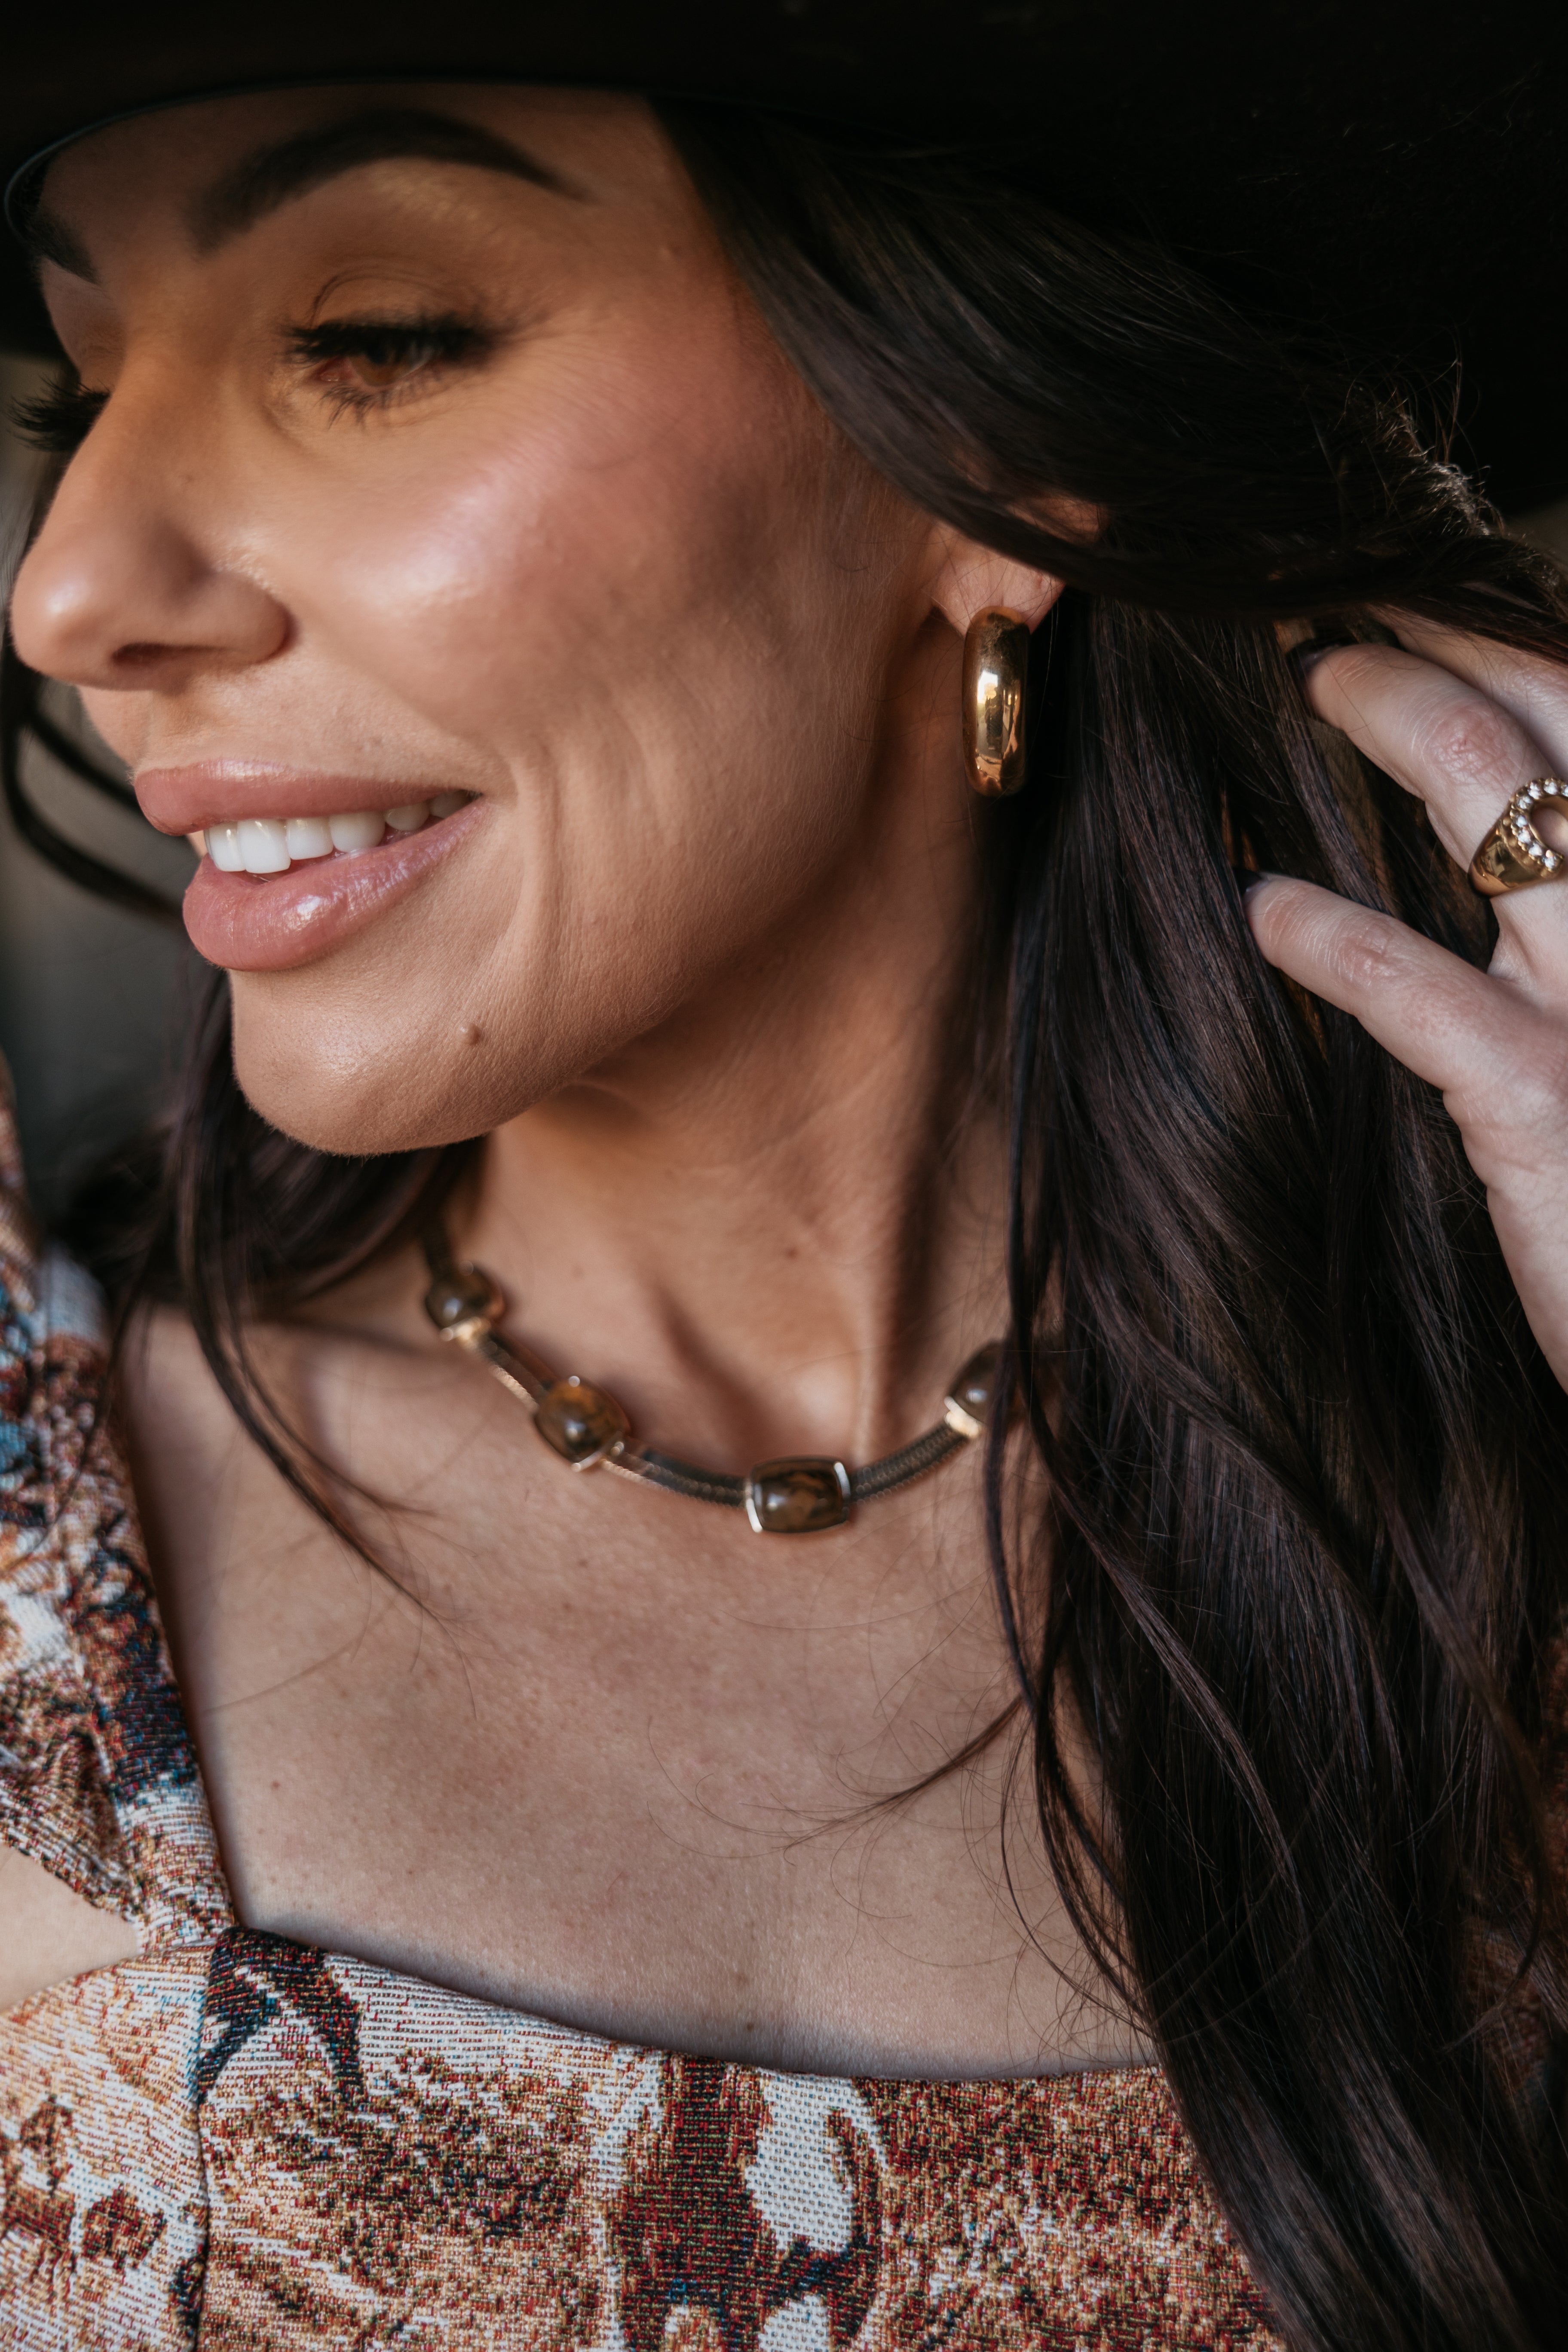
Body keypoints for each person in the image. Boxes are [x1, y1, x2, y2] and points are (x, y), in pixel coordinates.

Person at [0, 13, 1565, 2348]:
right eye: (74, 396)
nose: (71, 591)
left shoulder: (1493, 1542)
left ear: (992, 452)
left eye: (370, 340)